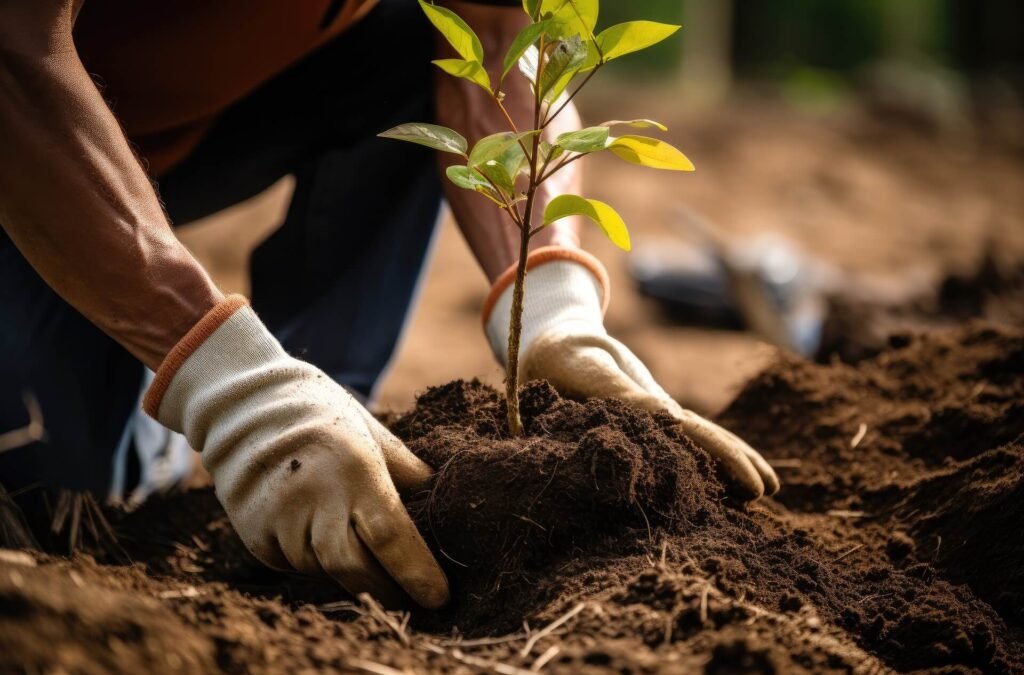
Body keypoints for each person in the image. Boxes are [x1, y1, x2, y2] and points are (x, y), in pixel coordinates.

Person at [0, 0, 779, 609]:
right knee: (56, 501)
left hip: (176, 125)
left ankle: (325, 421)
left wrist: (551, 299)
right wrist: (225, 385)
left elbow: (501, 40)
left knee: (419, 32)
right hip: (30, 135)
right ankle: (246, 410)